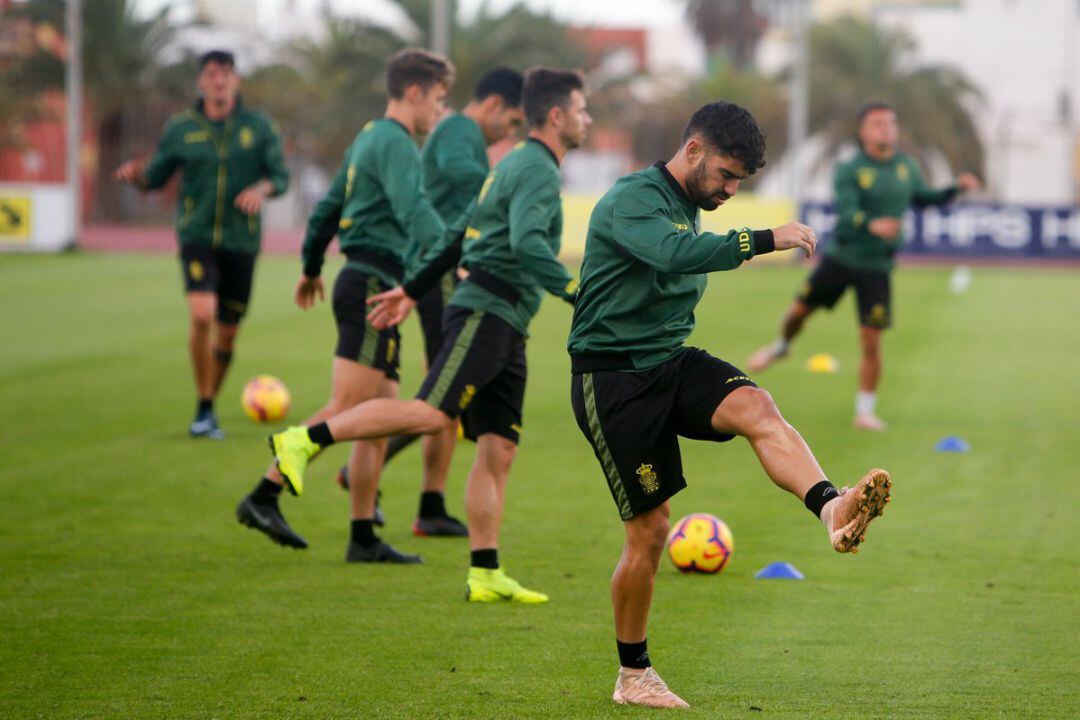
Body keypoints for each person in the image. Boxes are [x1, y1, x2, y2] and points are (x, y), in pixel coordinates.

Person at [565, 101, 892, 709]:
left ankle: (832, 508)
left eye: (739, 181)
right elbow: (673, 255)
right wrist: (767, 238)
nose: (730, 190)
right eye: (725, 175)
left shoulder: (689, 204)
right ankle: (633, 675)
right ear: (693, 151)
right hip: (613, 380)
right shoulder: (633, 198)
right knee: (650, 531)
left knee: (757, 406)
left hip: (669, 360)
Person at [267, 68, 589, 599]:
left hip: (508, 322)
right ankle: (304, 439)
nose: (587, 119)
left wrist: (412, 290)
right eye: (582, 109)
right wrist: (578, 292)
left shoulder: (511, 164)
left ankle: (485, 573)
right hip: (486, 310)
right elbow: (530, 245)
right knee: (430, 412)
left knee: (499, 447)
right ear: (556, 116)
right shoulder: (533, 169)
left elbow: (460, 233)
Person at [234, 48, 455, 558]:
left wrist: (311, 266)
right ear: (415, 93)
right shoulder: (396, 142)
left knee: (377, 419)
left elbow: (329, 207)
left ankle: (363, 537)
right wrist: (454, 256)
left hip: (365, 280)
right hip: (373, 282)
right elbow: (414, 209)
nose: (440, 112)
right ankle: (263, 494)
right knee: (349, 409)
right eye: (439, 100)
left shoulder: (366, 138)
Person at [334, 68, 526, 538]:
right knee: (444, 393)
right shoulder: (460, 130)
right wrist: (505, 179)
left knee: (449, 396)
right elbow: (461, 175)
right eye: (513, 121)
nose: (512, 132)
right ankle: (334, 460)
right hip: (441, 274)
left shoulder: (459, 133)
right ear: (494, 104)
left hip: (438, 269)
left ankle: (431, 503)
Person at [746, 102, 980, 430]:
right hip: (842, 260)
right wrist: (871, 225)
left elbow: (925, 198)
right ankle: (781, 346)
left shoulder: (906, 167)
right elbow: (846, 214)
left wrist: (956, 188)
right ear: (864, 132)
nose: (887, 128)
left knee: (871, 339)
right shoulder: (850, 169)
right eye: (878, 123)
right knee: (799, 312)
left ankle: (865, 412)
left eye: (891, 122)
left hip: (877, 266)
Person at [115, 49, 289, 440]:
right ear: (201, 82)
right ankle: (204, 406)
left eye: (226, 72)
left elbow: (280, 176)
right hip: (197, 237)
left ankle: (208, 404)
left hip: (242, 240)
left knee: (227, 332)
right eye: (212, 73)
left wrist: (261, 189)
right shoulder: (182, 127)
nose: (219, 80)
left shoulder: (258, 126)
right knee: (201, 315)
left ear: (236, 80)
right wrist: (137, 177)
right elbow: (155, 178)